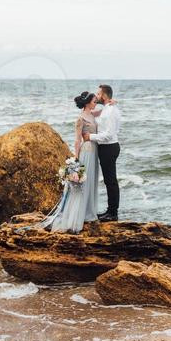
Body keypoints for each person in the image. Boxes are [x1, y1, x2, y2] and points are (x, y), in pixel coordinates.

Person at [39, 91, 101, 233]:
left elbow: (103, 111)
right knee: (82, 185)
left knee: (91, 181)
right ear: (87, 103)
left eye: (96, 102)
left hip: (94, 151)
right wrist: (76, 159)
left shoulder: (92, 114)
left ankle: (88, 211)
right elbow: (77, 140)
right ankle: (77, 216)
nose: (95, 103)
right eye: (94, 101)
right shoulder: (80, 119)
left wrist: (109, 102)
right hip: (86, 152)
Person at [83, 84, 122, 221]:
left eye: (98, 94)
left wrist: (90, 137)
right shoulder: (107, 109)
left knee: (110, 181)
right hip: (107, 147)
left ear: (104, 96)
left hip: (109, 147)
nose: (96, 96)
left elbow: (109, 135)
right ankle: (110, 210)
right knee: (108, 180)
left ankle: (113, 213)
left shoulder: (110, 111)